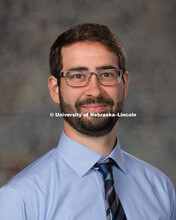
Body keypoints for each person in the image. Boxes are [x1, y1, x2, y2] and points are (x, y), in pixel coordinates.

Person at [0, 23, 175, 220]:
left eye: (107, 74)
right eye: (77, 76)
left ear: (124, 84)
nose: (94, 90)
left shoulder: (161, 189)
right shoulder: (21, 198)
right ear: (55, 89)